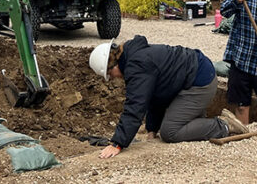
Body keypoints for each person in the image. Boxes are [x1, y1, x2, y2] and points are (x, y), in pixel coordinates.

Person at [89, 35, 247, 159]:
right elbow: (155, 95)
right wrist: (152, 128)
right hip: (192, 78)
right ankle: (202, 123)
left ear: (113, 65)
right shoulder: (134, 57)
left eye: (110, 75)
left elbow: (136, 105)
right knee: (175, 125)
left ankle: (224, 125)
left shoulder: (137, 66)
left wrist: (117, 144)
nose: (114, 78)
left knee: (170, 131)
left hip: (199, 82)